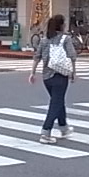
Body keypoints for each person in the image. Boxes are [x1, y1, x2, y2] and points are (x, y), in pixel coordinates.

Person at [29, 14, 77, 144]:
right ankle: (46, 131)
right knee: (56, 103)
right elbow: (72, 56)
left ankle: (64, 127)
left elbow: (37, 56)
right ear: (61, 25)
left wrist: (32, 73)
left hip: (47, 77)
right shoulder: (65, 39)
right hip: (60, 76)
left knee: (58, 100)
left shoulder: (44, 40)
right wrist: (73, 72)